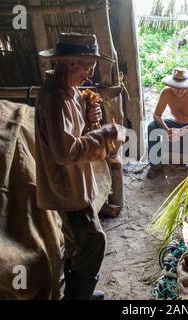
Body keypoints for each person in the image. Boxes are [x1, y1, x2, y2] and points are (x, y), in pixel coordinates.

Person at [35, 33, 119, 300]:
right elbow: (65, 152)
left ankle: (76, 291)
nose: (90, 73)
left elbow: (70, 134)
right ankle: (76, 297)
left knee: (76, 241)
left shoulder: (68, 92)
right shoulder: (55, 99)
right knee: (93, 241)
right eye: (87, 66)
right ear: (70, 64)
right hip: (65, 185)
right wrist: (106, 134)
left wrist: (85, 117)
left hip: (73, 180)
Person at [147, 67, 188, 178]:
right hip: (174, 123)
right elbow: (157, 115)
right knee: (152, 126)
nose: (179, 90)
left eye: (182, 88)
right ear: (171, 85)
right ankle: (155, 165)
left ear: (187, 86)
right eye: (176, 87)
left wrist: (184, 130)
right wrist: (167, 130)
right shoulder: (166, 92)